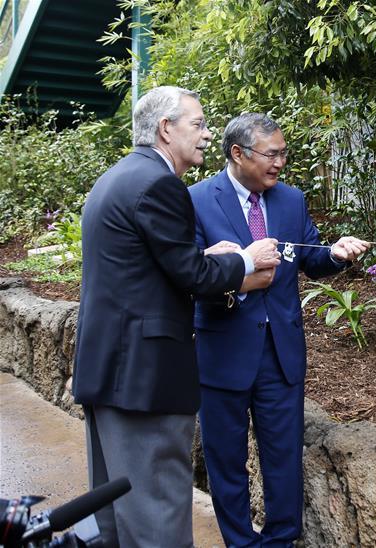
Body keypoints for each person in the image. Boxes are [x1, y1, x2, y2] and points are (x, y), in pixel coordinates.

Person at [73, 86, 282, 548]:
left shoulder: (118, 176)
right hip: (144, 380)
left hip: (109, 371)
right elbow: (191, 276)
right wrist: (245, 260)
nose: (207, 134)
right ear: (166, 129)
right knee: (157, 521)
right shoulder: (160, 184)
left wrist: (206, 256)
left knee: (115, 521)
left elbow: (143, 268)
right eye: (199, 124)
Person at [189, 113, 368, 547]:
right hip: (223, 352)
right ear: (238, 153)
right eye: (271, 154)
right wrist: (237, 269)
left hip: (281, 353)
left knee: (283, 457)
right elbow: (189, 275)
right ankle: (241, 542)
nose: (280, 163)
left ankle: (281, 540)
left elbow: (311, 257)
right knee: (226, 460)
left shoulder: (291, 199)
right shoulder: (195, 200)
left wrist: (337, 254)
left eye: (283, 153)